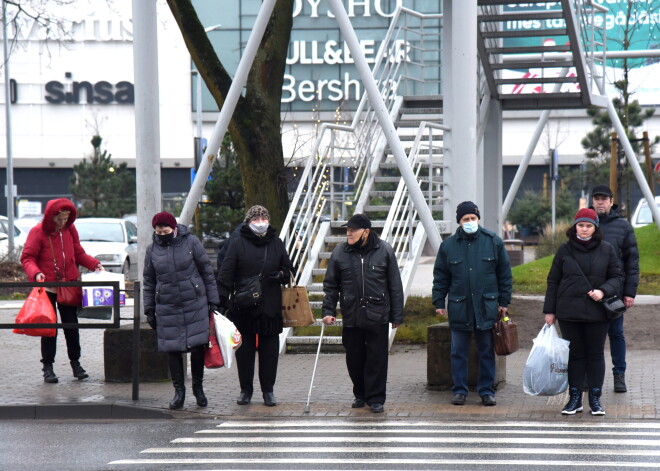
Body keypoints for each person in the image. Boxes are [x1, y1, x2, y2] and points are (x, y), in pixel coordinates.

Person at [543, 208, 623, 416]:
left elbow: (616, 277)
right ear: (575, 226)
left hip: (597, 313)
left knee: (595, 355)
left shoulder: (607, 249)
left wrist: (602, 291)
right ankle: (575, 398)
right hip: (569, 312)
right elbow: (553, 281)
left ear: (595, 228)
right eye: (581, 225)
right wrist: (549, 311)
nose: (585, 229)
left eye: (589, 226)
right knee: (575, 356)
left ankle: (595, 399)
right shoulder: (564, 250)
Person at [322, 213, 404, 414]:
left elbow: (395, 285)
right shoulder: (340, 252)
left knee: (377, 359)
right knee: (354, 358)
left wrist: (397, 315)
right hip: (351, 314)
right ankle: (360, 393)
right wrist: (328, 310)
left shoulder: (384, 250)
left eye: (353, 230)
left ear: (366, 232)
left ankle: (375, 398)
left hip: (378, 314)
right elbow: (331, 285)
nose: (348, 233)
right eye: (347, 230)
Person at [432, 201, 512, 407]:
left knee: (486, 351)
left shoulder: (493, 241)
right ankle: (459, 390)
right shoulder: (448, 246)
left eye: (473, 218)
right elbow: (441, 277)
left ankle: (487, 391)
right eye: (466, 219)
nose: (470, 222)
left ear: (478, 219)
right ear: (459, 221)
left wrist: (504, 301)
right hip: (460, 308)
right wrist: (439, 302)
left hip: (486, 308)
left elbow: (504, 275)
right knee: (458, 352)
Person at [216, 205, 294, 407]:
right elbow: (226, 273)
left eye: (263, 218)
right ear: (248, 222)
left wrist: (281, 275)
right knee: (245, 351)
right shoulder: (238, 243)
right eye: (256, 219)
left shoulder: (276, 242)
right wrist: (220, 301)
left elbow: (288, 268)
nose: (260, 222)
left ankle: (268, 391)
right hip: (244, 306)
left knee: (269, 351)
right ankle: (246, 390)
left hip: (270, 305)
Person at [20, 198, 104, 383]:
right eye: (59, 219)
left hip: (68, 285)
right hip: (48, 286)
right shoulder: (38, 232)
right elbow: (27, 258)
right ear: (51, 216)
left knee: (71, 326)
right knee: (49, 328)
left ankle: (76, 363)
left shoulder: (69, 230)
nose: (62, 222)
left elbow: (78, 252)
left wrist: (94, 264)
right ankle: (48, 367)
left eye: (66, 218)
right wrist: (36, 273)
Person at [143, 211, 220, 410]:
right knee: (173, 350)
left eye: (166, 230)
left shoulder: (191, 242)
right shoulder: (151, 250)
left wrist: (213, 300)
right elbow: (149, 281)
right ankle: (179, 392)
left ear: (174, 228)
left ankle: (198, 388)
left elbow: (207, 272)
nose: (162, 234)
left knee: (197, 348)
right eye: (158, 231)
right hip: (167, 306)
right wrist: (149, 309)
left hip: (194, 302)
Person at [591, 185, 639, 393]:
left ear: (611, 202)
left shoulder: (623, 226)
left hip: (614, 292)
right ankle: (589, 377)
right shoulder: (585, 223)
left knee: (616, 334)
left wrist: (630, 292)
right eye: (597, 199)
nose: (600, 202)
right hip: (590, 292)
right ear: (592, 201)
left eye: (604, 199)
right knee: (591, 336)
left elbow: (632, 262)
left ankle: (619, 374)